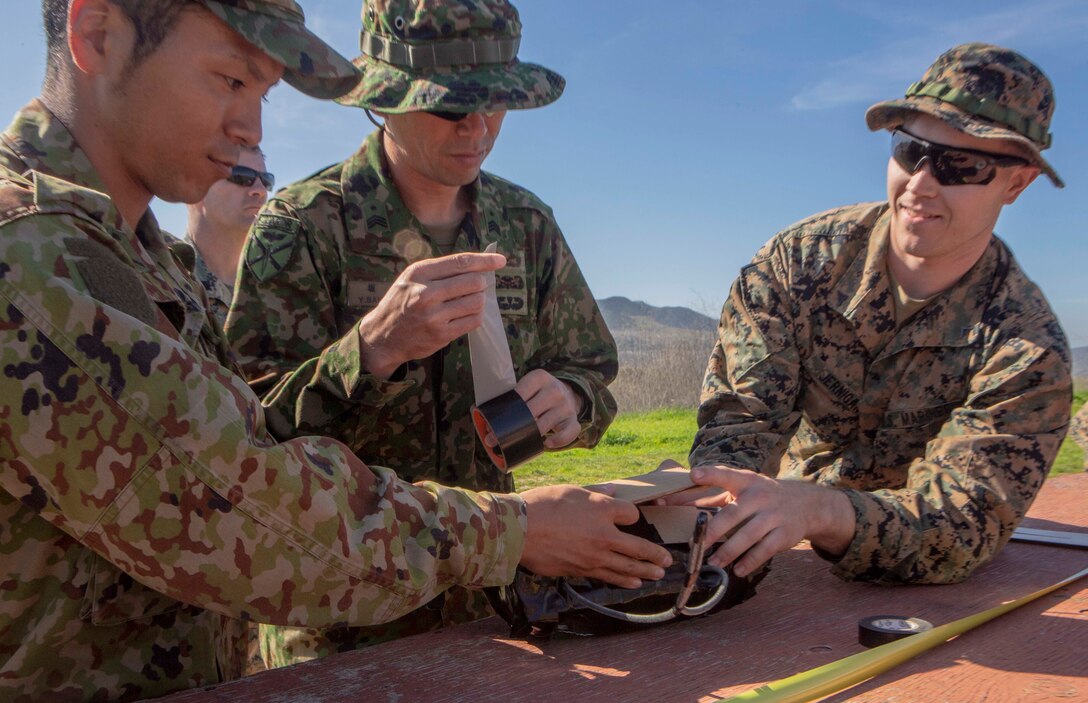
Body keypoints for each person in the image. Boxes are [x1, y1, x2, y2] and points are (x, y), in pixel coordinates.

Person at [0, 2, 671, 700]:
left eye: (261, 94)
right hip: (332, 636)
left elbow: (227, 441)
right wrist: (372, 357)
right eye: (230, 80)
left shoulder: (142, 256)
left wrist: (568, 399)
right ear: (97, 34)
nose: (250, 131)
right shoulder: (34, 255)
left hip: (469, 620)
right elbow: (243, 498)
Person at [224, 0, 619, 663]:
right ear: (384, 99)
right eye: (453, 106)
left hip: (491, 615)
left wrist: (571, 401)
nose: (479, 127)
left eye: (498, 104)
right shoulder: (303, 228)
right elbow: (244, 439)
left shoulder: (525, 226)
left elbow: (591, 370)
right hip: (339, 623)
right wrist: (371, 350)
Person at [678, 43, 1071, 586]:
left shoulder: (1025, 348)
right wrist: (721, 506)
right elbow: (741, 422)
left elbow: (965, 523)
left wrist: (818, 510)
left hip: (922, 577)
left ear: (1017, 182)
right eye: (911, 151)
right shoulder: (796, 263)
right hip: (784, 543)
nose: (921, 184)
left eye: (963, 165)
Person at [181, 145, 273, 327]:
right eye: (242, 177)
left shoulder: (281, 291)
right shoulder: (162, 283)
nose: (260, 190)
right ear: (195, 188)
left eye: (266, 180)